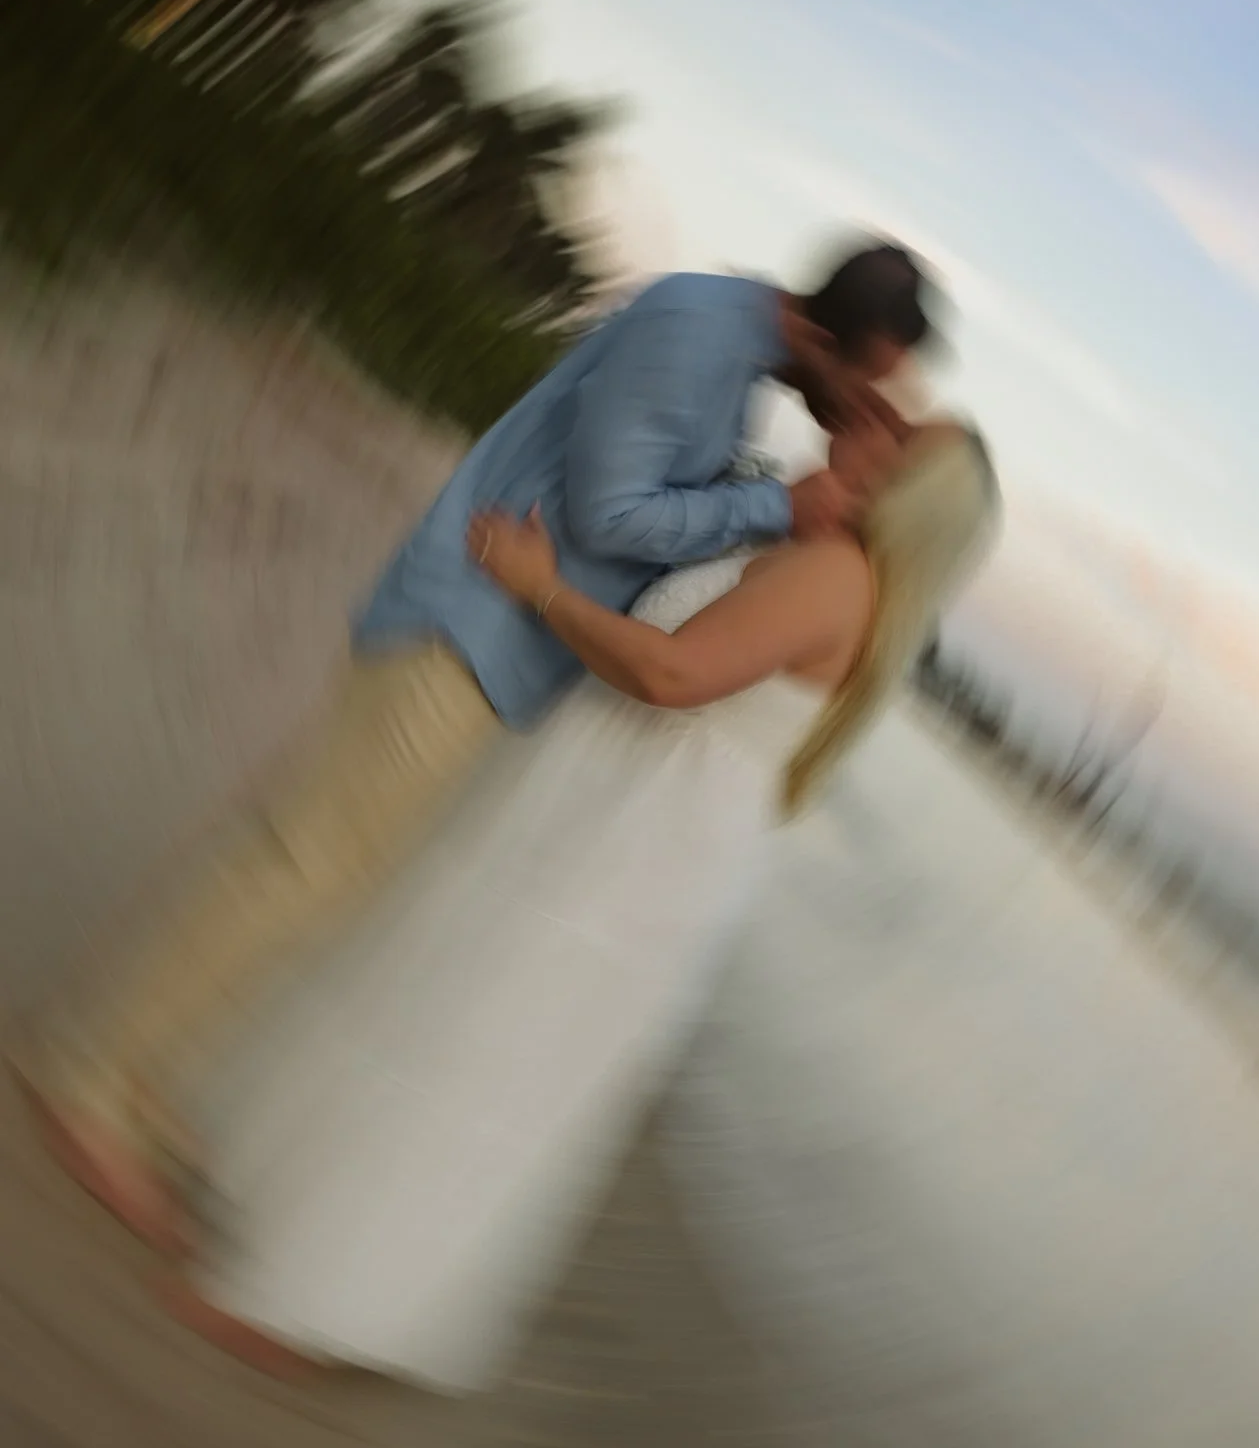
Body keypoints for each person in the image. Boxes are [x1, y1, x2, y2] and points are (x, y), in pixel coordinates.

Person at [11, 239, 937, 1253]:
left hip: (488, 647)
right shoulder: (699, 333)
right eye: (862, 383)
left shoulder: (733, 361)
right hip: (465, 629)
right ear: (820, 329)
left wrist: (779, 494)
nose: (857, 409)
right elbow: (610, 511)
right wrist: (776, 505)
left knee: (315, 867)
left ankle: (137, 1064)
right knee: (302, 862)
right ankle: (92, 1076)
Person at [154, 413, 1000, 1384]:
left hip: (638, 837)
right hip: (636, 817)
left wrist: (539, 585)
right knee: (469, 1014)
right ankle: (303, 1223)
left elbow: (670, 670)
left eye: (904, 442)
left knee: (480, 1041)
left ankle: (318, 1295)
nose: (878, 431)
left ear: (912, 491)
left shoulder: (840, 573)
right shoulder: (843, 571)